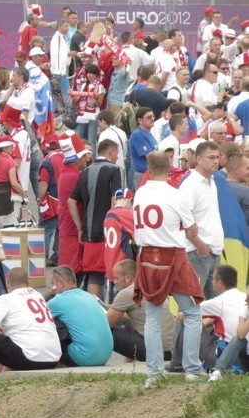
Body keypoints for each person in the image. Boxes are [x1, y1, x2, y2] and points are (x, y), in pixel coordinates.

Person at [133, 152, 206, 389]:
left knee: (153, 317)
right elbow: (190, 229)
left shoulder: (140, 193)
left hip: (147, 258)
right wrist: (202, 247)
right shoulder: (175, 195)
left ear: (148, 168)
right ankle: (192, 369)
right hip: (173, 257)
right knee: (193, 313)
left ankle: (154, 373)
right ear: (171, 167)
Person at [67, 138, 123, 298]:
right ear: (111, 151)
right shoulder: (114, 170)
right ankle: (113, 314)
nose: (117, 157)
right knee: (115, 274)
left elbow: (71, 201)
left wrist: (80, 227)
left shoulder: (85, 172)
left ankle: (95, 311)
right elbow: (116, 200)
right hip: (108, 231)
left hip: (89, 232)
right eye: (117, 153)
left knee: (94, 274)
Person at [178, 140, 225, 300]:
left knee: (214, 307)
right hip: (198, 253)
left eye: (218, 157)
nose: (216, 161)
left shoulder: (212, 182)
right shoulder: (190, 185)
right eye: (211, 157)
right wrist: (200, 245)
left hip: (213, 251)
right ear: (198, 159)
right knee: (193, 305)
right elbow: (183, 219)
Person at [107, 259, 173, 363]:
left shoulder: (127, 293)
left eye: (116, 278)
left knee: (108, 332)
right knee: (131, 325)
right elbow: (141, 316)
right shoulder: (151, 287)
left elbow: (107, 324)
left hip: (152, 351)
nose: (114, 282)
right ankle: (128, 363)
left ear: (128, 277)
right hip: (169, 351)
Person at [47, 265, 114, 366]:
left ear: (61, 282)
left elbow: (37, 318)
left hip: (85, 357)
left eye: (53, 284)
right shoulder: (89, 296)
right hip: (105, 356)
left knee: (49, 322)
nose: (52, 289)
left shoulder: (58, 301)